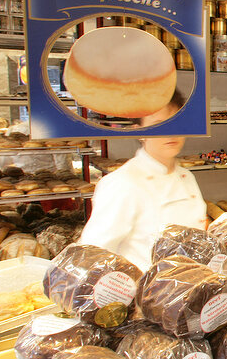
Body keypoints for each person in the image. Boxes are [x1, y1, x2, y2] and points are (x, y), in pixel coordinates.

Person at [80, 90, 206, 271]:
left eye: (177, 122)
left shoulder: (187, 177)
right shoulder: (123, 183)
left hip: (192, 288)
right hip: (146, 295)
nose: (172, 133)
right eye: (159, 125)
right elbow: (93, 256)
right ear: (139, 131)